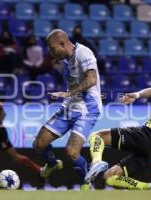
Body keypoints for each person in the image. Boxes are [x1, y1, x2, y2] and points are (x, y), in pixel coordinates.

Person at [85, 66, 151, 190]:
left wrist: (137, 94)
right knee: (109, 177)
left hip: (150, 134)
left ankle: (96, 163)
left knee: (97, 137)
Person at [33, 29, 102, 190]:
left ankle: (87, 183)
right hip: (70, 106)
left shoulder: (83, 53)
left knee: (71, 152)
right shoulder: (66, 61)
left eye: (52, 48)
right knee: (39, 144)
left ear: (62, 43)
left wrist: (68, 93)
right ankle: (52, 164)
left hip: (88, 109)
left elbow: (92, 79)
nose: (51, 52)